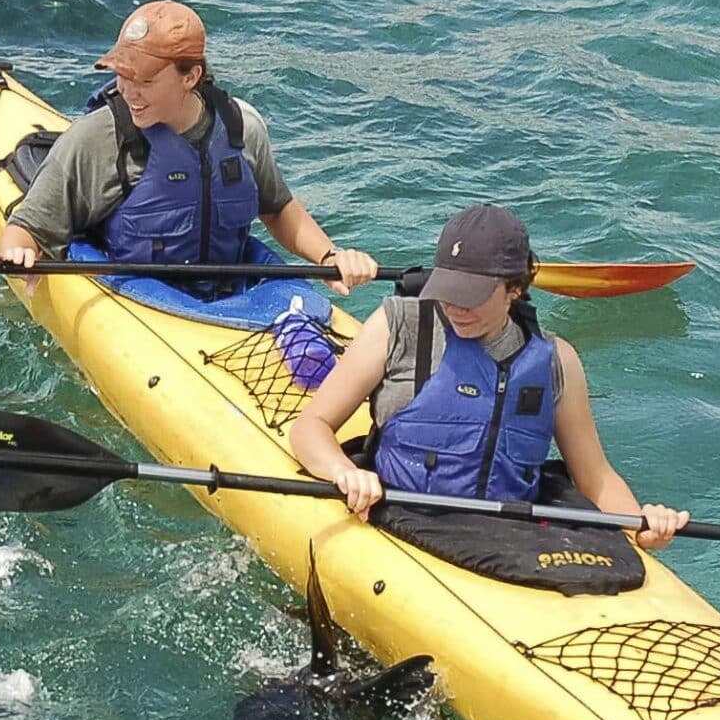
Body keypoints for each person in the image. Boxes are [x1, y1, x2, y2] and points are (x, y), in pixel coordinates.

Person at [287, 202, 688, 561]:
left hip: (509, 540)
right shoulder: (400, 326)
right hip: (403, 518)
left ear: (515, 288)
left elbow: (595, 477)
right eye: (448, 290)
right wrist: (344, 472)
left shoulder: (556, 360)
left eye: (472, 295)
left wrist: (641, 524)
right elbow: (310, 428)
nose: (455, 307)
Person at [0, 0, 378, 293]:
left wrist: (330, 257)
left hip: (229, 299)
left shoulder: (240, 125)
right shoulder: (96, 139)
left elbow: (277, 208)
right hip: (138, 302)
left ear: (191, 76)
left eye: (143, 80)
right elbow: (26, 228)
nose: (128, 92)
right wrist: (19, 252)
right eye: (121, 76)